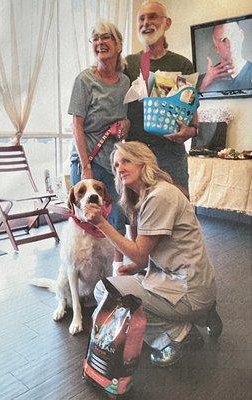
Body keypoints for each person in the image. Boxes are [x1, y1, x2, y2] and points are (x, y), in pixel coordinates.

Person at [84, 141, 223, 367]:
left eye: (126, 160)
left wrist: (101, 223)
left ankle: (179, 335)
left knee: (103, 290)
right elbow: (166, 249)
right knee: (126, 282)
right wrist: (141, 268)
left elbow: (139, 253)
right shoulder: (154, 193)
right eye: (116, 164)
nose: (119, 168)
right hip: (190, 281)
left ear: (144, 162)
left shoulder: (159, 196)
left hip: (187, 290)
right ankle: (204, 313)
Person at [68, 20, 130, 263]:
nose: (99, 42)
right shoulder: (84, 80)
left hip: (114, 165)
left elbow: (124, 120)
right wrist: (85, 167)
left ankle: (114, 279)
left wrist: (125, 125)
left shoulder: (125, 82)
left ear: (118, 45)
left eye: (106, 37)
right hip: (88, 161)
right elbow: (77, 125)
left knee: (116, 222)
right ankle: (83, 282)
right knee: (88, 226)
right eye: (95, 38)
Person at [124, 1, 198, 196]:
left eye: (153, 16)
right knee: (137, 215)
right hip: (136, 156)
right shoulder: (128, 64)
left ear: (167, 23)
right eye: (142, 18)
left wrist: (188, 132)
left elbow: (193, 120)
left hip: (171, 156)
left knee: (178, 213)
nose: (146, 23)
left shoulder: (183, 64)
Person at [198, 22, 252, 92]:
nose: (229, 44)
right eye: (223, 40)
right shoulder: (203, 81)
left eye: (233, 35)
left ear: (241, 36)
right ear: (216, 48)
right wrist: (204, 85)